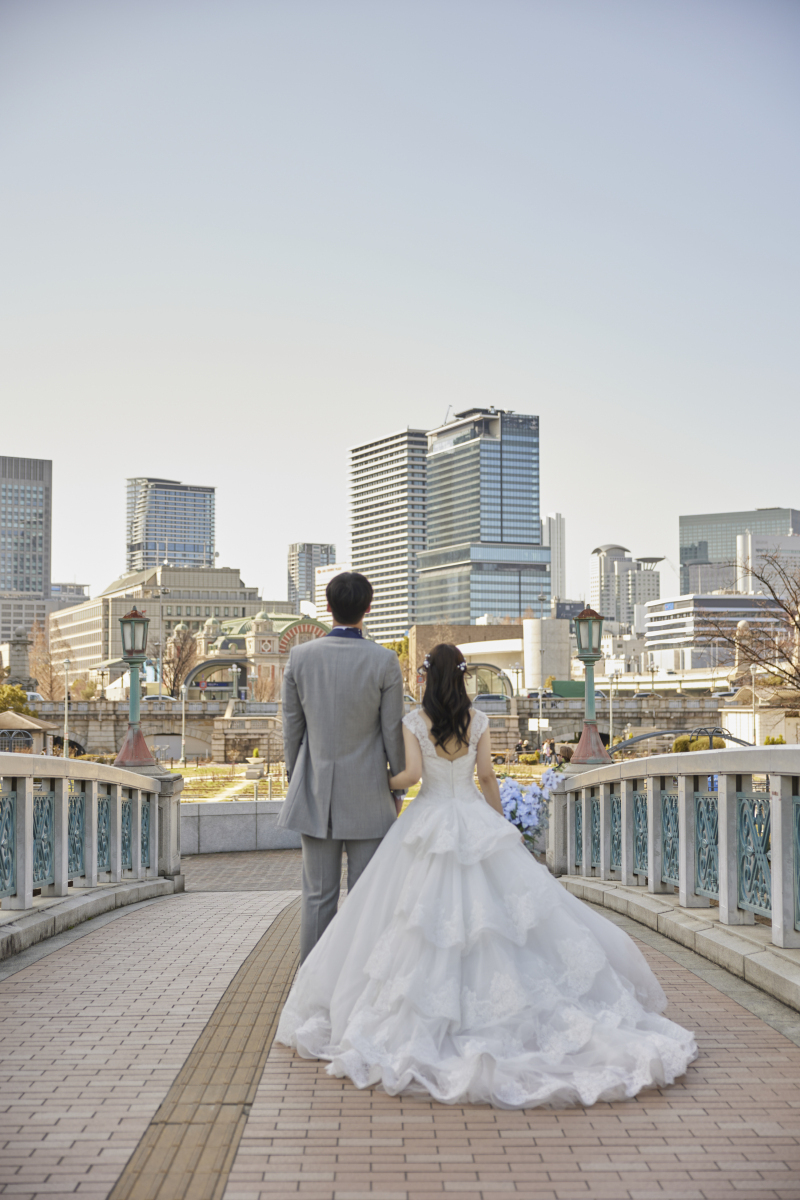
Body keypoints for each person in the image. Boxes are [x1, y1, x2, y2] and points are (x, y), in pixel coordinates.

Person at [277, 642, 697, 1109]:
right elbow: (487, 778)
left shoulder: (415, 722)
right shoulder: (478, 721)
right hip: (472, 817)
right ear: (462, 677)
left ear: (425, 678)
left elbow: (412, 776)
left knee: (420, 918)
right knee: (500, 916)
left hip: (429, 820)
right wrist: (501, 824)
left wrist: (379, 777)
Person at [277, 571, 405, 962]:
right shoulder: (385, 662)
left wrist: (294, 778)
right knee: (367, 896)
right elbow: (392, 733)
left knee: (317, 896)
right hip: (369, 795)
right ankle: (362, 982)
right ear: (368, 608)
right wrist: (396, 786)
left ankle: (310, 987)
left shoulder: (300, 657)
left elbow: (291, 731)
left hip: (314, 793)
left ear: (328, 609)